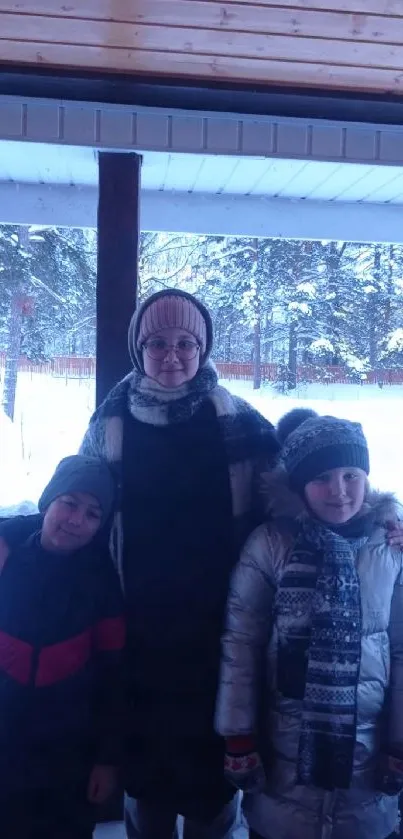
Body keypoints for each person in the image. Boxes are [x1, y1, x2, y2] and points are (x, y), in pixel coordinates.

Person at [78, 287, 281, 839]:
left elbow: (299, 493)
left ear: (204, 348)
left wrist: (375, 522)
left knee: (209, 774)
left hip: (220, 630)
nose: (173, 355)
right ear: (138, 349)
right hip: (137, 629)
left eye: (186, 343)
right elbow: (79, 502)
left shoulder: (238, 420)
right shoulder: (111, 423)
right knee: (146, 771)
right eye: (159, 343)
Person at [216, 410, 403, 839]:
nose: (339, 492)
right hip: (284, 756)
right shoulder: (270, 544)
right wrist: (238, 735)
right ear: (298, 485)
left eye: (351, 475)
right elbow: (241, 643)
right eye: (321, 478)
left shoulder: (389, 546)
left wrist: (399, 742)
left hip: (369, 768)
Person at [0, 455, 125, 839]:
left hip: (68, 758)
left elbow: (114, 676)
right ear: (47, 501)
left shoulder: (102, 579)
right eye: (69, 503)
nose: (75, 520)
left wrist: (107, 760)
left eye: (92, 514)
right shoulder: (6, 554)